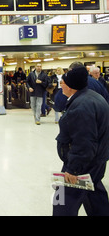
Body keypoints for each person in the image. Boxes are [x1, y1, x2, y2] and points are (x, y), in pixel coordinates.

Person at [53, 66, 109, 216]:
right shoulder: (91, 97)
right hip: (96, 159)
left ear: (70, 86)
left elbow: (84, 142)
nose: (60, 86)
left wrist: (73, 169)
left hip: (82, 163)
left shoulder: (82, 107)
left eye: (62, 83)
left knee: (63, 200)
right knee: (94, 194)